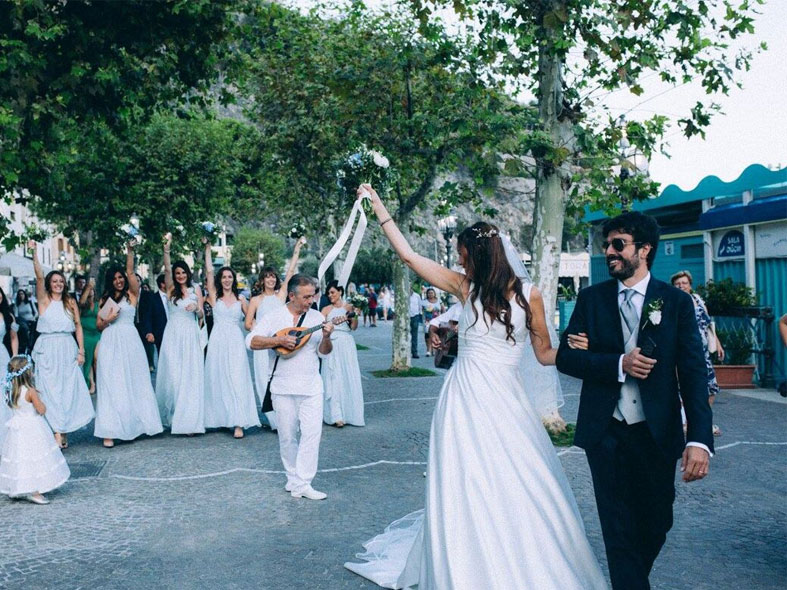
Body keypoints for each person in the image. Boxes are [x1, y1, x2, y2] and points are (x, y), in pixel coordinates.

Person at [345, 185, 607, 588]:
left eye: (464, 256)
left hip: (506, 403)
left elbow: (544, 354)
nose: (460, 263)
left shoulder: (530, 296)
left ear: (480, 256)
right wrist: (379, 208)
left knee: (518, 477)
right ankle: (463, 560)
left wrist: (580, 350)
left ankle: (520, 558)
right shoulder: (464, 288)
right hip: (461, 399)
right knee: (462, 477)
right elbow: (410, 256)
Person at [557, 211, 712, 590]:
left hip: (655, 431)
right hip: (605, 431)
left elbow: (693, 373)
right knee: (617, 527)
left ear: (644, 250)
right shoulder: (591, 299)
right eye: (606, 244)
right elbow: (566, 357)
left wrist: (700, 440)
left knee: (658, 519)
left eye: (618, 244)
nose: (609, 251)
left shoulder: (675, 302)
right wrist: (617, 363)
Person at [246, 274, 334, 501]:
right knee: (287, 437)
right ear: (292, 295)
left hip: (311, 386)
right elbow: (251, 341)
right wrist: (277, 341)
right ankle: (293, 478)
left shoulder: (316, 317)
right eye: (306, 296)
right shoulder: (274, 317)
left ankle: (304, 483)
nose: (311, 300)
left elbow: (324, 353)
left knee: (312, 434)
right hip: (282, 387)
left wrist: (326, 337)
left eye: (313, 295)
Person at [93, 243, 163, 448]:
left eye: (120, 278)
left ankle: (136, 425)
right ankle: (110, 429)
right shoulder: (104, 299)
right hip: (110, 340)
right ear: (110, 281)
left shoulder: (132, 295)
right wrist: (109, 319)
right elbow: (98, 325)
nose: (118, 281)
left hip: (130, 341)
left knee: (134, 382)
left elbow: (131, 271)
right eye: (115, 278)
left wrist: (130, 252)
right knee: (111, 383)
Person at [29, 241, 94, 449]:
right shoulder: (44, 300)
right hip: (47, 348)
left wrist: (81, 351)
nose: (58, 284)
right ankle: (57, 431)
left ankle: (62, 430)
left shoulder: (70, 302)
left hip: (67, 348)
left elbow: (78, 326)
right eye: (54, 281)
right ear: (49, 284)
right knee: (49, 390)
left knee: (66, 390)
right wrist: (34, 252)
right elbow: (39, 275)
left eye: (61, 281)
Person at [244, 237, 305, 430]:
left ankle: (286, 417)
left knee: (282, 379)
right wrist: (259, 330)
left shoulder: (281, 295)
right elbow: (247, 324)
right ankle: (273, 421)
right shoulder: (255, 300)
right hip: (264, 345)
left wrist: (297, 249)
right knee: (264, 380)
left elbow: (290, 272)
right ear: (262, 280)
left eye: (273, 276)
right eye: (267, 277)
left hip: (281, 343)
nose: (271, 279)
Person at [202, 240, 260, 439]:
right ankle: (220, 418)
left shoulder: (241, 300)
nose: (226, 280)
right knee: (217, 378)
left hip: (235, 341)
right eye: (224, 277)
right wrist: (208, 248)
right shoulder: (213, 296)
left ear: (233, 280)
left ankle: (238, 422)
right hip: (217, 339)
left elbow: (250, 322)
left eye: (230, 277)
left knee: (236, 378)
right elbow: (209, 272)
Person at [0, 355, 70, 504]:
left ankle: (18, 486)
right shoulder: (30, 391)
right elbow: (41, 410)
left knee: (20, 457)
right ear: (27, 373)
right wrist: (42, 402)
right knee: (34, 457)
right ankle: (35, 491)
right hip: (33, 427)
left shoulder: (10, 390)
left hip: (17, 427)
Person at [154, 233, 206, 435]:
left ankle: (189, 420)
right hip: (173, 334)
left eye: (183, 272)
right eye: (177, 273)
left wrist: (196, 309)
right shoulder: (170, 289)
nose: (180, 276)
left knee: (190, 376)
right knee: (174, 376)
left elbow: (201, 315)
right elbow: (166, 268)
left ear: (188, 273)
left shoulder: (196, 289)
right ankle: (174, 415)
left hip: (190, 332)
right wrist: (166, 249)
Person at [670, 270, 725, 436]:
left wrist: (718, 344)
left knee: (711, 388)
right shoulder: (672, 303)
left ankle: (702, 421)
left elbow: (708, 325)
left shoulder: (698, 301)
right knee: (683, 388)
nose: (681, 286)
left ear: (690, 285)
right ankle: (685, 421)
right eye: (677, 284)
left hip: (702, 352)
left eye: (684, 283)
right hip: (681, 352)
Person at [321, 280, 364, 428]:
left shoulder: (349, 307)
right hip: (331, 343)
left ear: (340, 291)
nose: (330, 295)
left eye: (332, 292)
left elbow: (353, 327)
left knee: (347, 375)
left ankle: (350, 413)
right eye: (328, 293)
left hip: (346, 344)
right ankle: (335, 415)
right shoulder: (325, 310)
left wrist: (355, 315)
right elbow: (321, 329)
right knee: (333, 378)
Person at [0, 287, 19, 450]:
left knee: (4, 392)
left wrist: (14, 357)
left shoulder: (7, 316)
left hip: (2, 355)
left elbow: (13, 337)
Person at [139, 273, 169, 357]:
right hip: (160, 334)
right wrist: (149, 332)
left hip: (174, 331)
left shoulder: (174, 297)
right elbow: (147, 317)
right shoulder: (152, 298)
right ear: (162, 284)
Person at [78, 278, 100, 393]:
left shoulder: (98, 304)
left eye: (92, 289)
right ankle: (91, 383)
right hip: (86, 335)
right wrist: (88, 286)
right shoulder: (82, 305)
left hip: (97, 335)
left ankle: (99, 381)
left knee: (97, 359)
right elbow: (81, 302)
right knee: (88, 361)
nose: (91, 291)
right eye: (89, 289)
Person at [12, 289, 36, 354]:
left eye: (22, 294)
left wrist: (34, 318)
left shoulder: (30, 302)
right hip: (22, 322)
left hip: (31, 320)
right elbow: (16, 315)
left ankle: (30, 345)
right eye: (19, 294)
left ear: (24, 294)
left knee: (34, 330)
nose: (21, 295)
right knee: (24, 328)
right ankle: (28, 345)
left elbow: (36, 312)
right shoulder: (17, 304)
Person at [421, 288, 443, 357]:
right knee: (427, 335)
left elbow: (443, 310)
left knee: (436, 335)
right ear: (427, 294)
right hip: (427, 321)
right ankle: (429, 350)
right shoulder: (424, 302)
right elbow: (421, 310)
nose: (430, 294)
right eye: (429, 293)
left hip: (437, 321)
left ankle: (435, 349)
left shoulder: (439, 301)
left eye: (432, 293)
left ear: (434, 294)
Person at [408, 283, 423, 358]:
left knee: (414, 335)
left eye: (409, 286)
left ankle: (414, 352)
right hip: (406, 317)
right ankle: (406, 351)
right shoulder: (403, 295)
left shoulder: (417, 296)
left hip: (415, 316)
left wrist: (420, 314)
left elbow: (420, 305)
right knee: (406, 334)